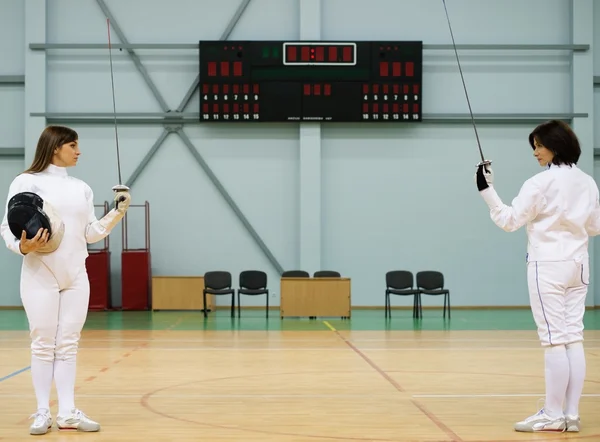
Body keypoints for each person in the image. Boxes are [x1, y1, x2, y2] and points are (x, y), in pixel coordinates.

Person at [0, 125, 131, 435]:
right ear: (56, 147)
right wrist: (22, 246)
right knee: (43, 344)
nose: (79, 152)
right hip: (39, 272)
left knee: (69, 344)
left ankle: (68, 413)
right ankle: (42, 412)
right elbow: (7, 226)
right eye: (73, 145)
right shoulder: (25, 181)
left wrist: (117, 213)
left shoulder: (81, 188)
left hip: (75, 273)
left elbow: (89, 234)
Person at [475, 119, 600, 433]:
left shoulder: (539, 183)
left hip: (548, 266)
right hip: (579, 265)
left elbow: (509, 220)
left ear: (555, 145)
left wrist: (486, 189)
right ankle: (570, 415)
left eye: (539, 146)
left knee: (554, 341)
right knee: (573, 337)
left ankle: (553, 414)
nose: (535, 153)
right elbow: (595, 227)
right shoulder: (588, 182)